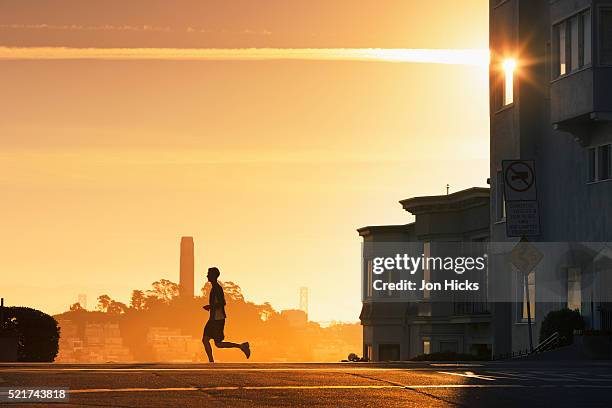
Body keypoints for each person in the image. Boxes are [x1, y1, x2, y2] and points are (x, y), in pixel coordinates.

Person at [202, 266, 251, 362]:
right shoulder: (214, 288)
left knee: (216, 343)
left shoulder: (217, 288)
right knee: (208, 341)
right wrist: (210, 307)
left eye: (209, 274)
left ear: (213, 276)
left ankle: (241, 346)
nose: (207, 275)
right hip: (213, 319)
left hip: (217, 319)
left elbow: (222, 303)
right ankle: (211, 361)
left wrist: (210, 307)